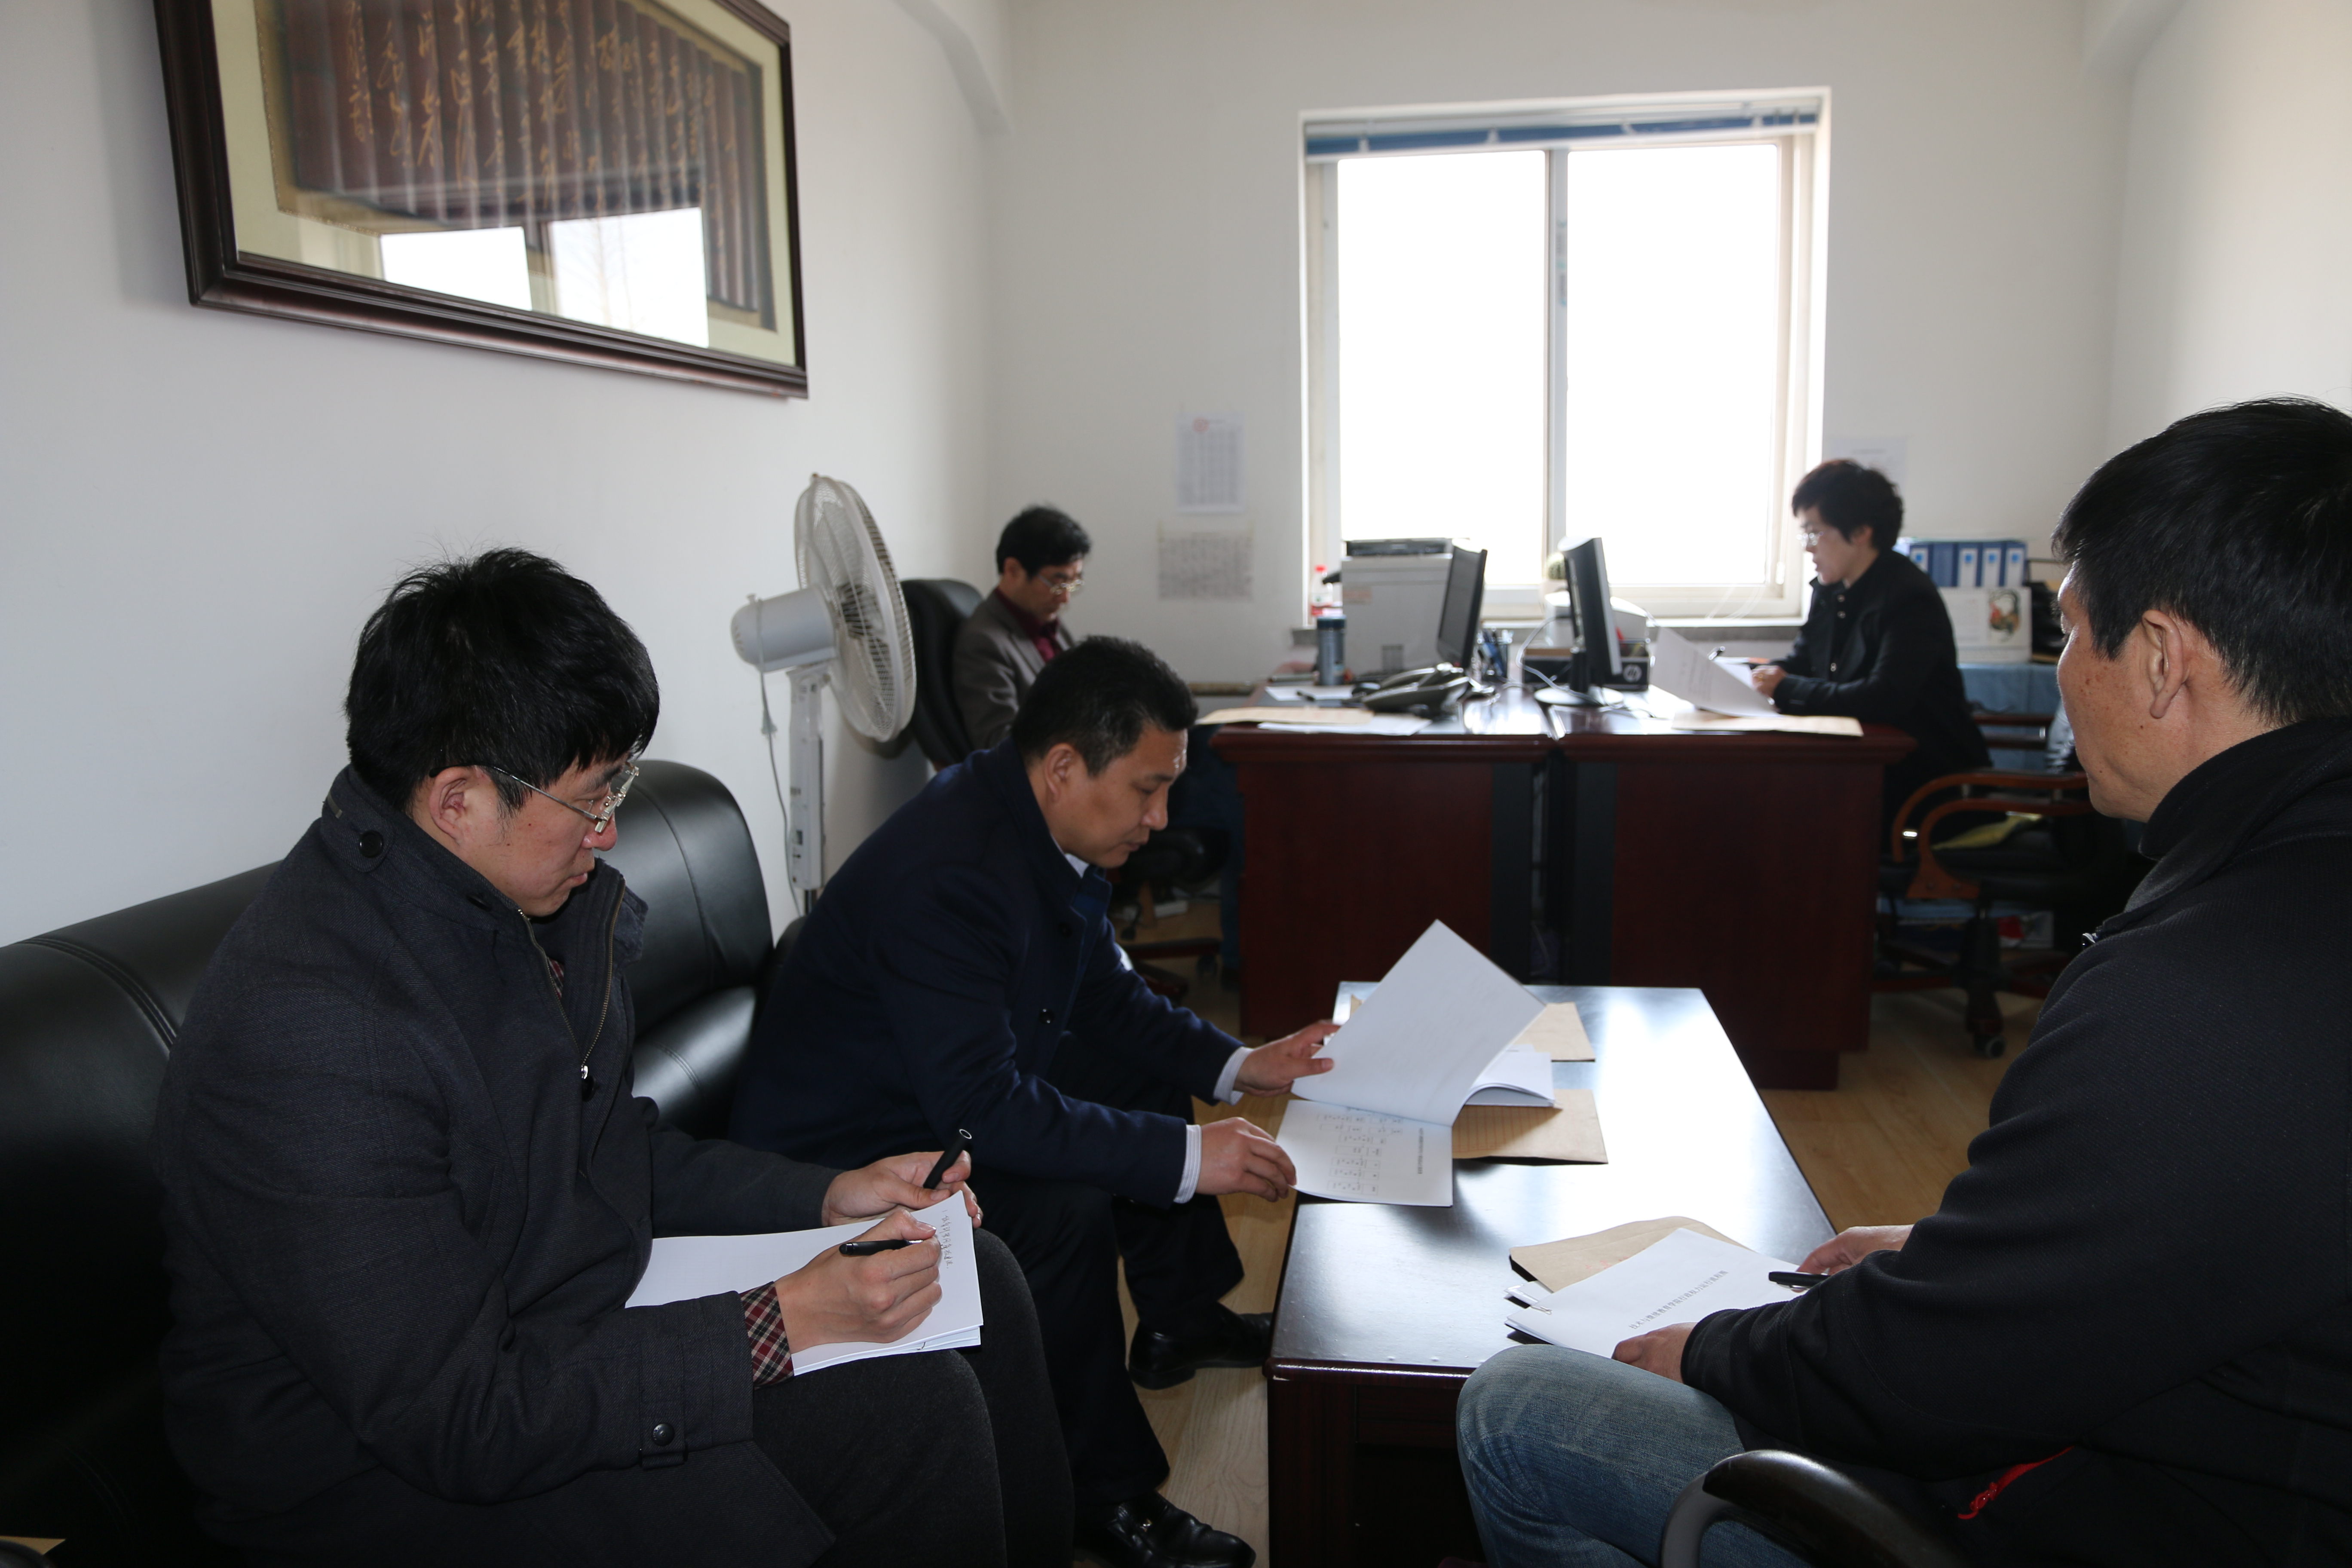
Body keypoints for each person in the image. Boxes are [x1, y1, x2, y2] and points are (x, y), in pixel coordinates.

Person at [1455, 398, 2352, 1566]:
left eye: (2073, 632)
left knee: (1517, 1410)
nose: (2065, 673)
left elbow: (1930, 1383)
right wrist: (1967, 1253)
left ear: (2162, 658)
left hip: (2128, 1515)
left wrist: (1714, 1348)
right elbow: (2229, 1211)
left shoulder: (2191, 994)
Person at [150, 550, 1069, 1568]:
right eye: (592, 796)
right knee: (906, 1411)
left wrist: (827, 1195)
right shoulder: (317, 1038)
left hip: (547, 1330)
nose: (611, 828)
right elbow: (458, 1416)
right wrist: (778, 1321)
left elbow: (609, 1155)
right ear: (458, 800)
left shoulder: (504, 908)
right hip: (378, 1482)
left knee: (971, 1276)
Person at [729, 636, 1340, 1568]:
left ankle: (1178, 1318)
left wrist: (1239, 1064)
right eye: (1147, 789)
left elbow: (1106, 998)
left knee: (1135, 1073)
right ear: (1063, 767)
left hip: (932, 1093)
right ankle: (1105, 1495)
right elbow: (985, 1108)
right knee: (1059, 1215)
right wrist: (1188, 1158)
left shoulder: (1035, 823)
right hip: (841, 1155)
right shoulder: (953, 872)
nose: (1160, 817)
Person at [1752, 460, 1991, 826]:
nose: (1808, 549)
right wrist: (1752, 674)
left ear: (1861, 531)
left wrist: (1785, 687)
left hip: (1921, 782)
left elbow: (1884, 698)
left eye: (1814, 533)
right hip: (1861, 764)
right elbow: (1804, 663)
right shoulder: (1831, 590)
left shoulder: (1909, 598)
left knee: (1782, 810)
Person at [956, 504, 1091, 750]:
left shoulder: (1046, 621)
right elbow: (1000, 742)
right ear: (1013, 570)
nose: (1065, 598)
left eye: (1073, 582)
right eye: (1057, 582)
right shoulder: (983, 643)